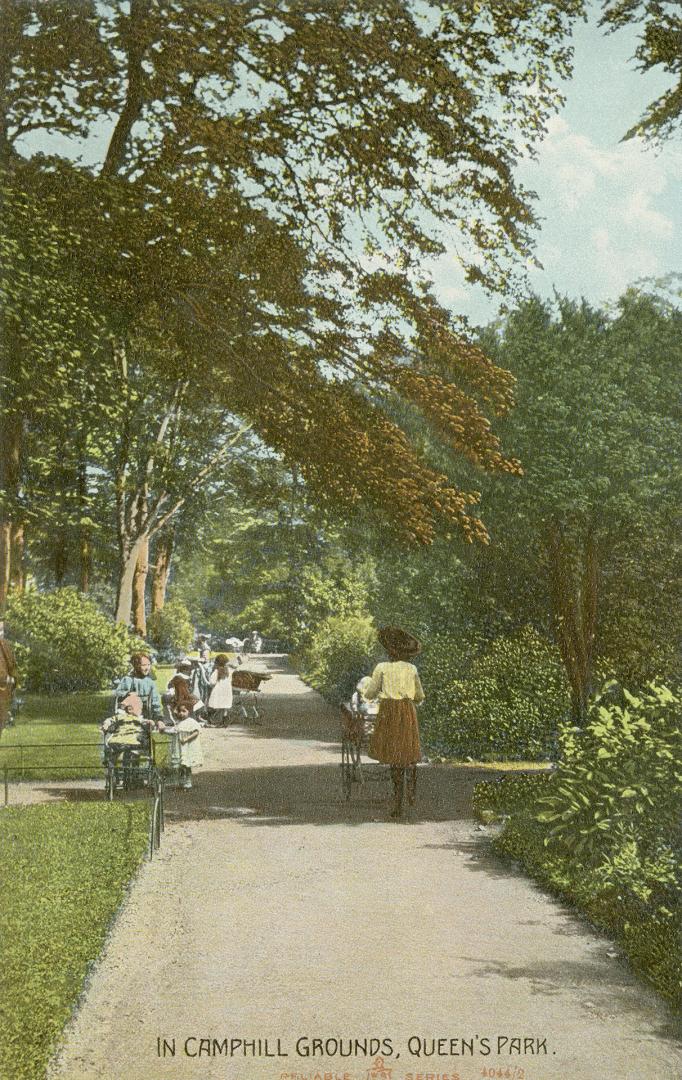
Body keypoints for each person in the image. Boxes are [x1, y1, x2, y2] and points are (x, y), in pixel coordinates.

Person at [361, 626, 425, 819]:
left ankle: (397, 800)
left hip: (389, 711)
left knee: (393, 754)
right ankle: (407, 792)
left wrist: (367, 695)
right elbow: (419, 695)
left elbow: (370, 693)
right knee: (406, 750)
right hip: (406, 711)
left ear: (390, 651)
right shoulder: (412, 669)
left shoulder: (382, 668)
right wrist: (416, 700)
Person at [160, 697, 204, 789]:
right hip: (179, 747)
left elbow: (196, 732)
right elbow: (174, 731)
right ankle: (181, 781)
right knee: (180, 765)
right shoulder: (179, 722)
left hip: (187, 746)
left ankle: (188, 781)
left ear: (190, 712)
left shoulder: (192, 722)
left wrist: (187, 738)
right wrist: (164, 731)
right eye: (180, 711)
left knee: (186, 765)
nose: (181, 713)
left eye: (184, 711)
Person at [101, 692, 153, 769]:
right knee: (122, 749)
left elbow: (146, 723)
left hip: (134, 737)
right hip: (121, 737)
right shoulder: (120, 716)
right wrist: (106, 724)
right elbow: (110, 720)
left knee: (134, 752)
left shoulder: (139, 718)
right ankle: (124, 772)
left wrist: (150, 722)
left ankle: (135, 775)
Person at [114, 652, 163, 721]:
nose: (147, 668)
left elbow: (156, 702)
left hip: (145, 716)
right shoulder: (128, 679)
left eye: (149, 665)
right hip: (127, 714)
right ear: (136, 665)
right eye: (144, 665)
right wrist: (127, 694)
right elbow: (118, 693)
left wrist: (159, 718)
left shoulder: (150, 682)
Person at [207, 652, 238, 724]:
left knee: (214, 704)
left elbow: (212, 682)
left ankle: (211, 720)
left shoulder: (216, 671)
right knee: (225, 706)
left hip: (218, 690)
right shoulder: (230, 671)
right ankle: (224, 720)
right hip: (227, 690)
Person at [0, 621, 19, 736]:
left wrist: (12, 680)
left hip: (3, 693)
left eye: (2, 631)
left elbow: (13, 668)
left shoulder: (5, 647)